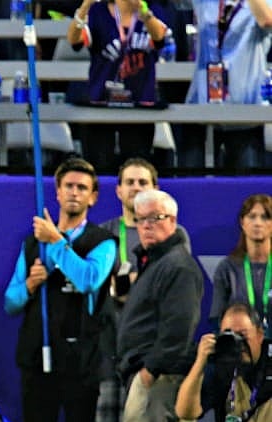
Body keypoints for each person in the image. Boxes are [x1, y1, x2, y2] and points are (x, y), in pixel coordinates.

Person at [3, 157, 116, 422]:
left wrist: (58, 244)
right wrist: (31, 286)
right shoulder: (32, 242)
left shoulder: (104, 243)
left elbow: (89, 280)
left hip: (81, 363)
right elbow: (12, 301)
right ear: (57, 191)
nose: (74, 192)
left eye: (82, 187)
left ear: (94, 197)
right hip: (37, 360)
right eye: (68, 185)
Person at [94, 157, 191, 422]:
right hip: (117, 363)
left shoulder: (175, 250)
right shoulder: (109, 238)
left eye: (143, 182)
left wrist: (151, 368)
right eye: (129, 183)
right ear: (118, 192)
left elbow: (176, 319)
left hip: (152, 372)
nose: (146, 225)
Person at [117, 188, 204, 422]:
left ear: (172, 220)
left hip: (160, 380)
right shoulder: (161, 264)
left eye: (155, 218)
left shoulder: (176, 266)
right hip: (167, 380)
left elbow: (178, 327)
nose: (147, 226)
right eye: (140, 220)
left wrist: (150, 370)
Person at [65, 0, 169, 172]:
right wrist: (84, 8)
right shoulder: (98, 12)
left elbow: (159, 38)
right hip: (100, 104)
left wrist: (146, 15)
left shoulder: (153, 9)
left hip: (139, 105)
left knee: (137, 168)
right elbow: (74, 40)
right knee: (99, 168)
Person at [175, 0, 272, 170]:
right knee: (193, 183)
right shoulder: (207, 3)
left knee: (245, 187)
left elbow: (267, 21)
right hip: (202, 103)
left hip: (245, 109)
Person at [209, 194, 272, 335]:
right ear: (242, 223)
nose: (258, 223)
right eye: (252, 216)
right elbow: (216, 318)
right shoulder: (227, 268)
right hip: (240, 348)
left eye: (265, 217)